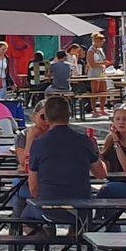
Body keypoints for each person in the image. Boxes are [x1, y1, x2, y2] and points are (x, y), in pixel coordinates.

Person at [22, 96, 106, 226]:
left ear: (47, 118)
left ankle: (43, 238)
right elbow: (101, 174)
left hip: (49, 207)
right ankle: (72, 235)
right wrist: (96, 151)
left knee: (25, 218)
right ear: (69, 115)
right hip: (80, 207)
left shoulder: (39, 144)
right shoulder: (83, 141)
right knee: (76, 221)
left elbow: (33, 187)